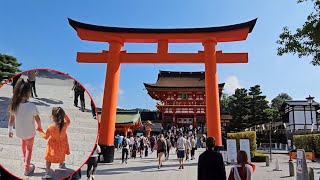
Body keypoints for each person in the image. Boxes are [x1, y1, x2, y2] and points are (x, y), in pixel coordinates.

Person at [8, 79, 43, 176]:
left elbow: (11, 120)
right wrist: (39, 127)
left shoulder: (14, 104)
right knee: (29, 148)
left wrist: (10, 130)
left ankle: (24, 158)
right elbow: (38, 119)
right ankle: (27, 168)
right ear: (28, 93)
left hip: (20, 132)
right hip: (30, 132)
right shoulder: (32, 106)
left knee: (23, 142)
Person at [37, 107, 71, 179]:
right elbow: (68, 121)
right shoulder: (65, 125)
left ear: (53, 117)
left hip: (52, 146)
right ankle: (61, 164)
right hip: (62, 144)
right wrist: (64, 115)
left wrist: (40, 130)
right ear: (62, 116)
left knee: (48, 159)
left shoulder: (51, 127)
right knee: (62, 154)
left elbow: (46, 137)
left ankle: (48, 172)